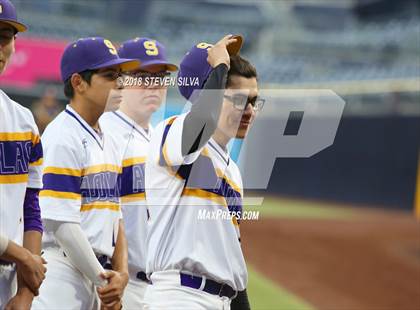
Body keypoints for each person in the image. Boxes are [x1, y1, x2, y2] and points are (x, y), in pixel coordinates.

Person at [144, 34, 262, 309]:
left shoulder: (232, 171)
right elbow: (201, 121)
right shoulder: (172, 132)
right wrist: (219, 68)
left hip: (219, 300)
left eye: (255, 102)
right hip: (179, 297)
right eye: (240, 100)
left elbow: (230, 256)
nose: (250, 111)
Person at [31, 37, 139, 309]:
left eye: (121, 75)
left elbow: (117, 217)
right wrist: (105, 283)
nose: (120, 83)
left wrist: (121, 275)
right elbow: (61, 224)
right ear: (78, 82)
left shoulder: (110, 139)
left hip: (95, 274)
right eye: (109, 75)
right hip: (62, 271)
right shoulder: (62, 135)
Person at [100, 37, 178, 309]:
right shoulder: (105, 132)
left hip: (155, 288)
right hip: (115, 283)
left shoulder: (157, 139)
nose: (153, 85)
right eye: (142, 76)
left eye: (160, 77)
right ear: (120, 79)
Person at [0, 0, 47, 308]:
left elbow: (31, 207)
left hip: (7, 281)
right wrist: (22, 256)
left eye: (4, 37)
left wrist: (26, 293)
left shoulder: (23, 120)